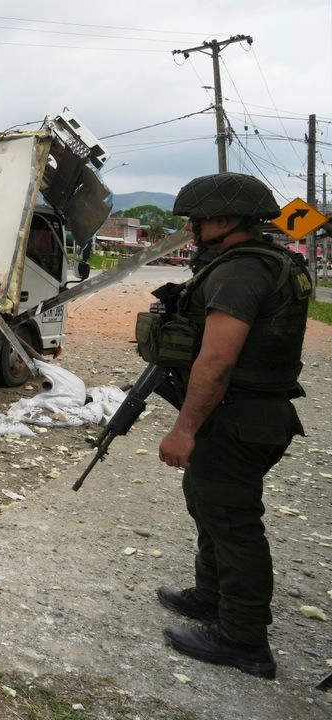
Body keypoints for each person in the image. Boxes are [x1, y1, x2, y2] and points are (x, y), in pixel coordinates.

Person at [152, 172, 311, 679]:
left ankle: (242, 639)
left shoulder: (241, 272)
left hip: (239, 415)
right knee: (209, 503)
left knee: (234, 523)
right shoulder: (268, 261)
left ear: (224, 219)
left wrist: (184, 428)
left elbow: (216, 362)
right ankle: (210, 596)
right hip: (250, 412)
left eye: (198, 220)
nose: (193, 229)